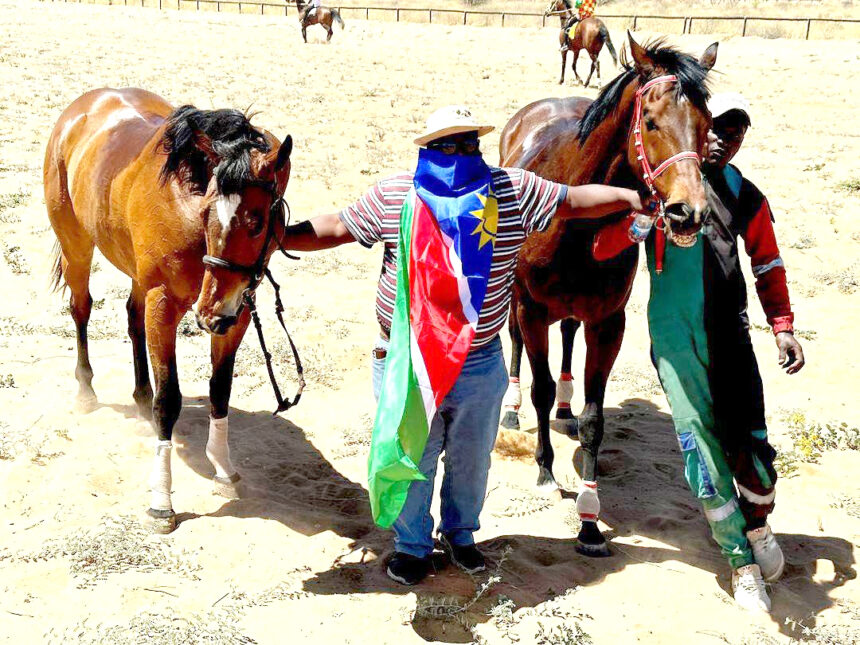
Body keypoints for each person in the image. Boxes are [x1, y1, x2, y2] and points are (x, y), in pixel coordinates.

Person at [281, 105, 654, 586]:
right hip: (409, 358)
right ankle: (412, 546)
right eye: (447, 146)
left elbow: (575, 200)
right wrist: (275, 236)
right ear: (428, 150)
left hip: (478, 359)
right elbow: (338, 227)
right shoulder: (399, 194)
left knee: (472, 459)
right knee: (412, 456)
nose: (459, 154)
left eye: (468, 144)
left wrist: (627, 195)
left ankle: (461, 535)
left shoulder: (511, 190)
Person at [591, 93, 805, 612]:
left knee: (752, 445)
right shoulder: (660, 188)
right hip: (674, 340)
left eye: (735, 133)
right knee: (699, 449)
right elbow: (602, 248)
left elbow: (768, 262)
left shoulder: (743, 193)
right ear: (697, 128)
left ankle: (757, 527)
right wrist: (640, 222)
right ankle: (740, 562)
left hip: (730, 334)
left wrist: (782, 326)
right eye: (716, 129)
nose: (723, 140)